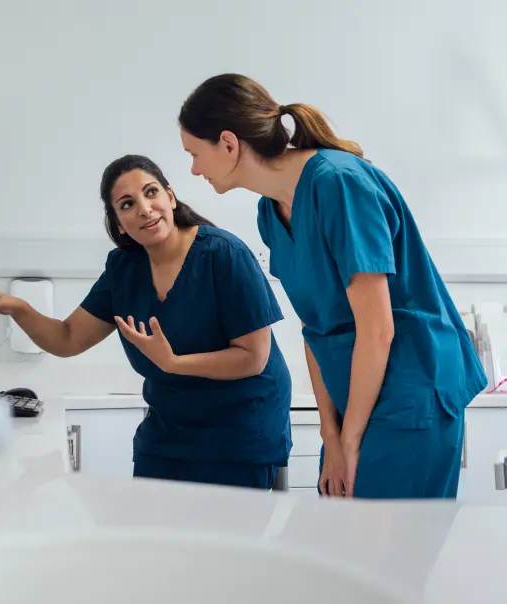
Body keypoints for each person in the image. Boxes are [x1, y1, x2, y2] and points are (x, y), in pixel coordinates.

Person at [177, 74, 487, 500]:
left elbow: (378, 331)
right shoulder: (270, 214)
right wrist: (332, 431)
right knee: (345, 546)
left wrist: (351, 438)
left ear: (228, 144)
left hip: (411, 386)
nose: (193, 169)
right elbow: (315, 330)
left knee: (386, 555)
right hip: (354, 398)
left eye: (195, 153)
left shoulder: (339, 183)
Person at [0, 154, 292, 490]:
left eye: (151, 192)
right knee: (149, 540)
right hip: (168, 434)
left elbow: (253, 356)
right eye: (127, 204)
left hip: (240, 435)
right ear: (118, 222)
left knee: (216, 543)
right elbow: (68, 338)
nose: (145, 209)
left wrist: (173, 363)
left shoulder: (224, 254)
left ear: (170, 198)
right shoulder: (124, 268)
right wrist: (18, 308)